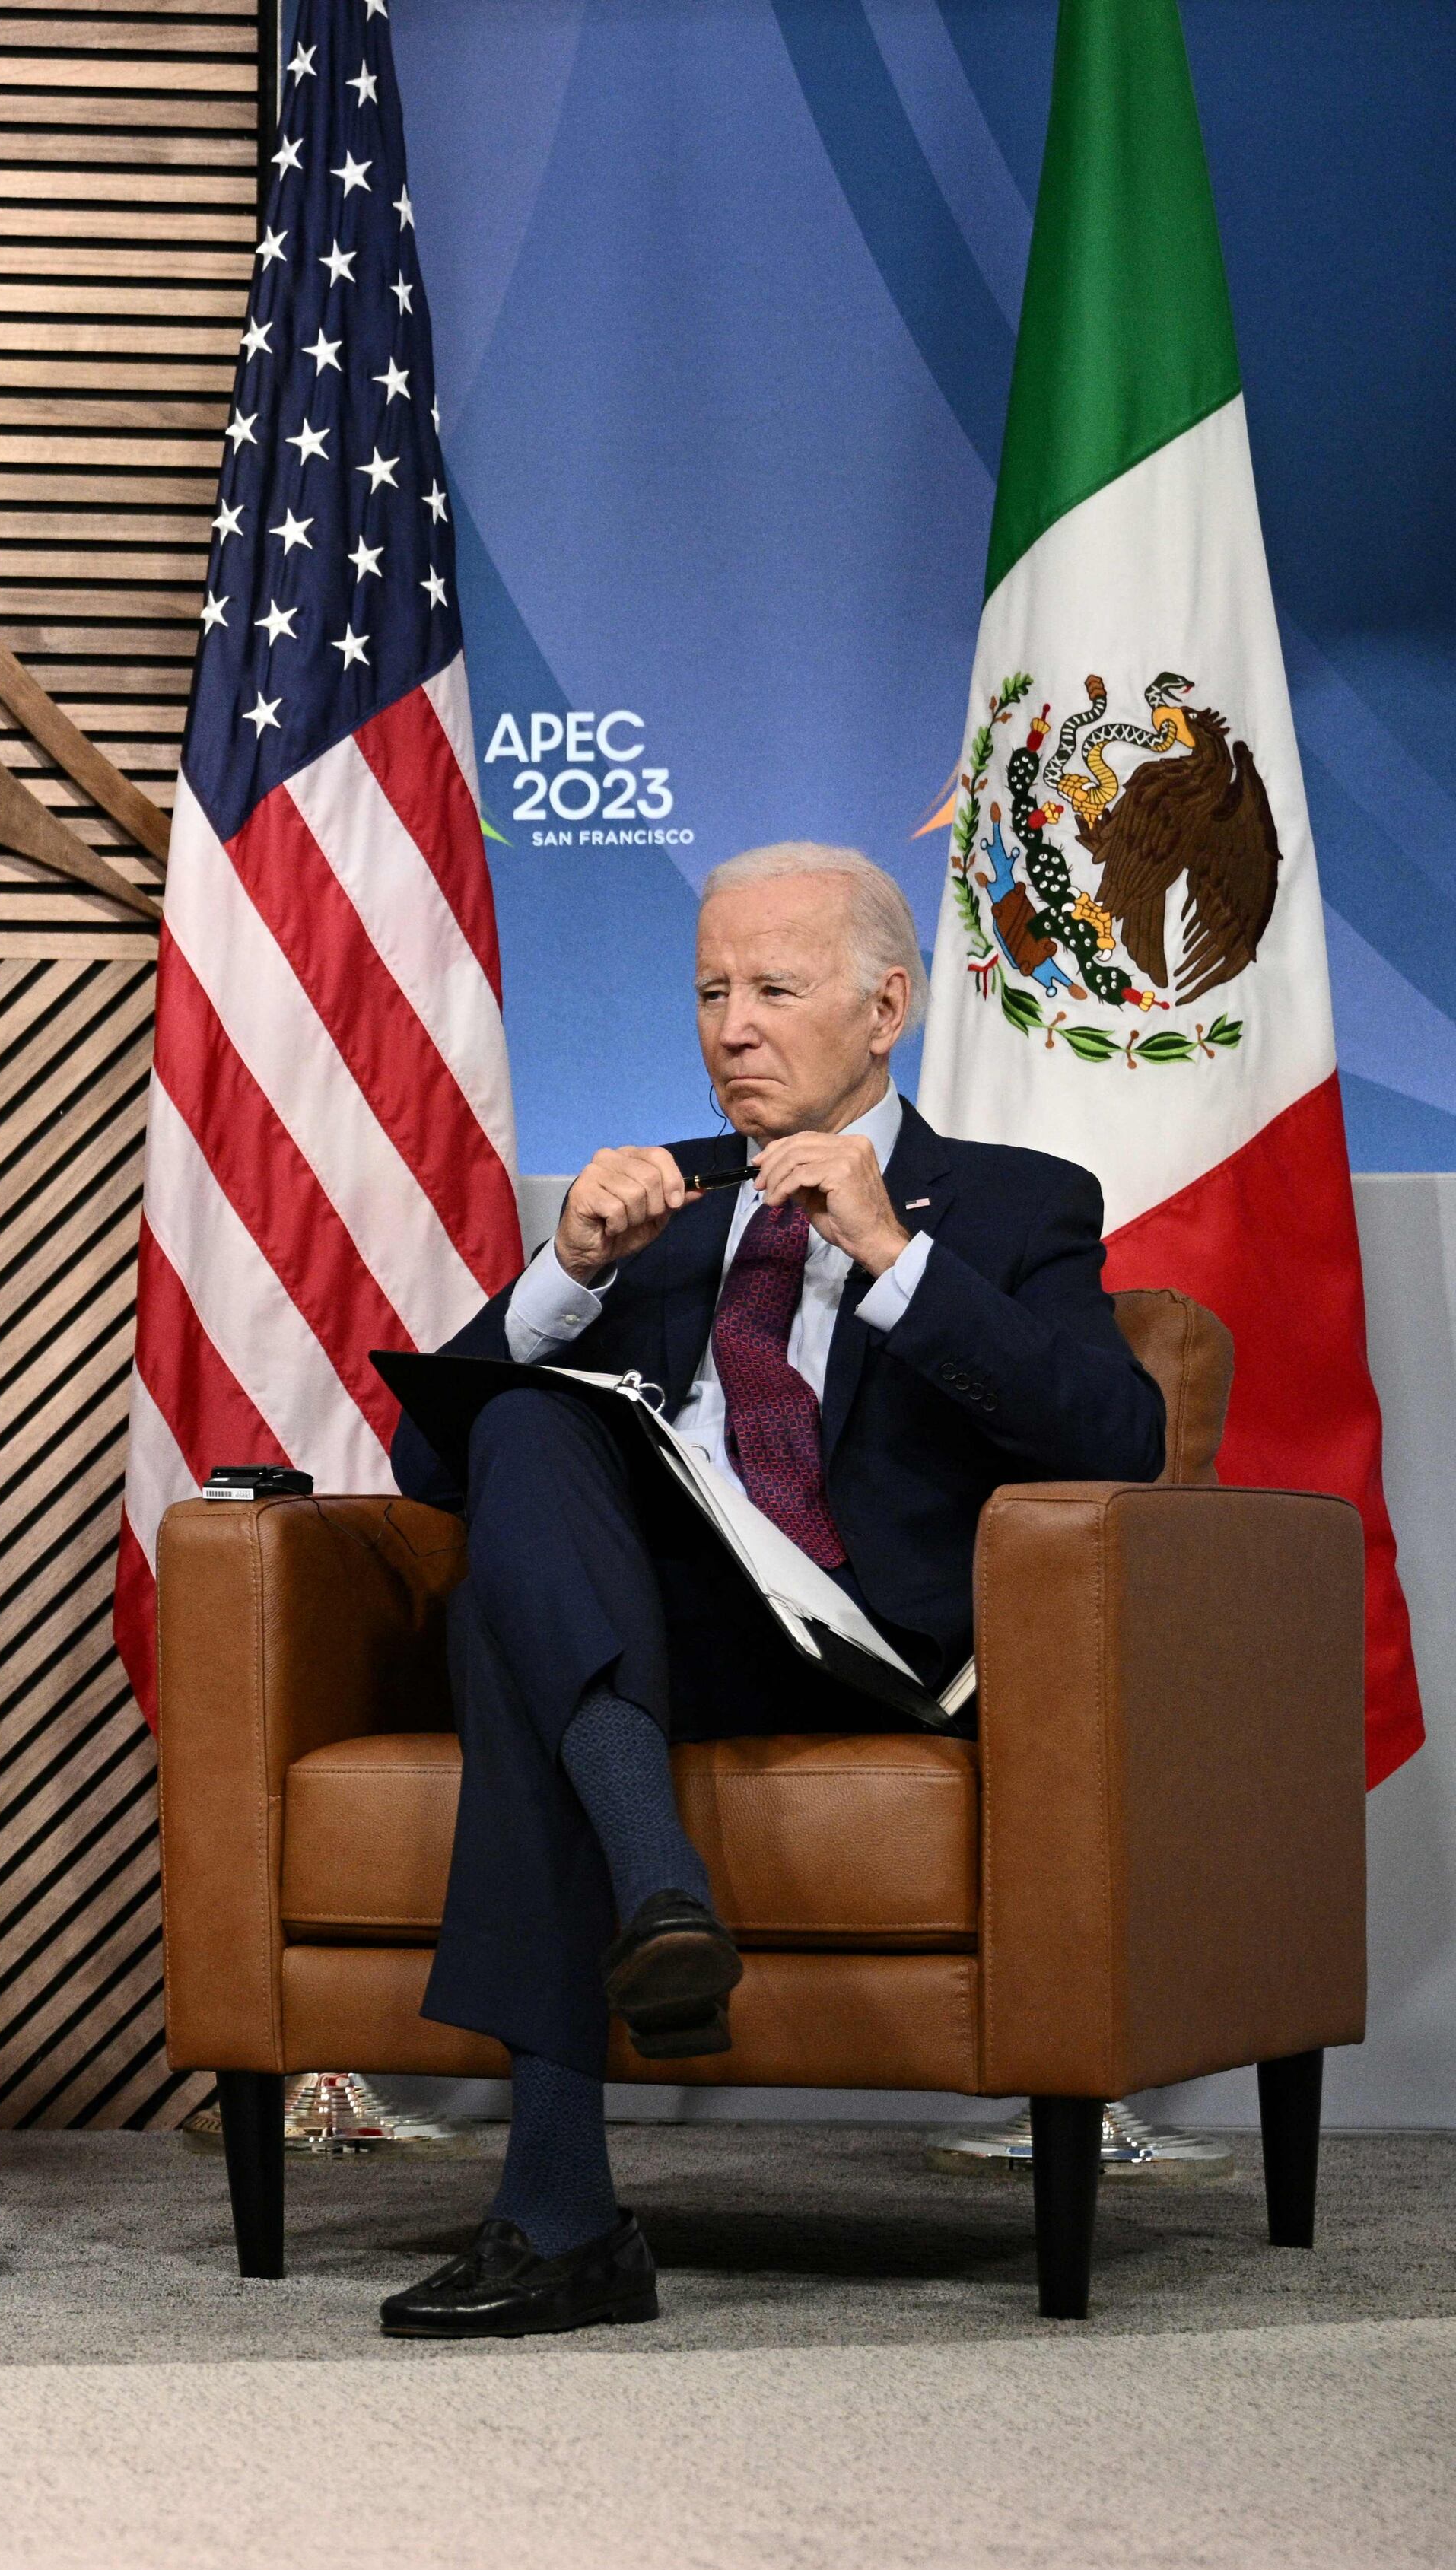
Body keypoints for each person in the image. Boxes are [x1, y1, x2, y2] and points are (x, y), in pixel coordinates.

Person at [377, 841, 1168, 2339]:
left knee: (520, 1639)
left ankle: (559, 2210)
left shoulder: (1010, 1203)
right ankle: (653, 1892)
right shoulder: (661, 1209)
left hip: (869, 1650)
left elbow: (1121, 1438)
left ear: (885, 1006)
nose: (730, 1024)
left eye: (772, 988)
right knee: (531, 1427)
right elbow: (430, 1456)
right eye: (707, 990)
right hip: (662, 1642)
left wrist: (885, 1247)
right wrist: (566, 1270)